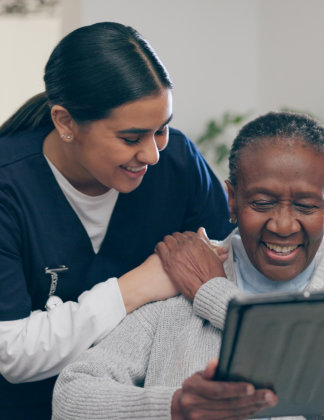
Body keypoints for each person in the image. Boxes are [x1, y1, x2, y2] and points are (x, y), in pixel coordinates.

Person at [52, 112, 324, 419]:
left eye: (306, 206)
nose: (284, 225)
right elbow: (71, 398)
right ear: (231, 199)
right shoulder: (181, 272)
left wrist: (215, 293)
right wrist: (177, 407)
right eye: (261, 203)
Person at [0, 22, 234, 419]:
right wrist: (134, 288)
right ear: (65, 122)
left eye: (162, 129)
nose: (152, 155)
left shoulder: (178, 164)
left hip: (149, 400)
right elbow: (14, 352)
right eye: (131, 138)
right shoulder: (10, 187)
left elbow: (234, 265)